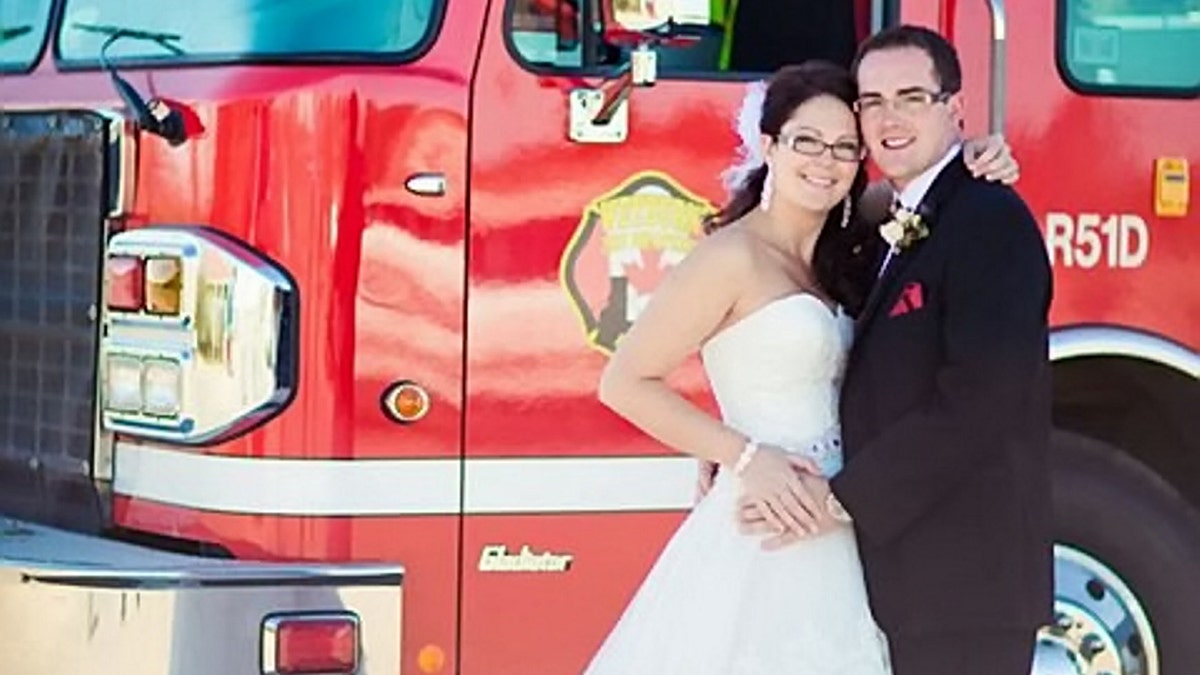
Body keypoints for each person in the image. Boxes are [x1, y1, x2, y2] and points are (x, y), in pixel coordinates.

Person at [583, 58, 1022, 674]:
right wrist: (739, 454)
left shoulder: (851, 246)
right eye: (806, 141)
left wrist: (976, 153)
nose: (825, 161)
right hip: (767, 517)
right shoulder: (728, 257)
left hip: (844, 519)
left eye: (845, 147)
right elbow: (625, 382)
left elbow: (926, 188)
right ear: (769, 145)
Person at [739, 26, 1054, 675]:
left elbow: (981, 404)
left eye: (911, 97)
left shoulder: (988, 221)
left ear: (954, 109)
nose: (889, 117)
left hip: (968, 587)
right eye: (873, 101)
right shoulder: (899, 220)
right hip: (911, 580)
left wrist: (840, 500)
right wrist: (745, 440)